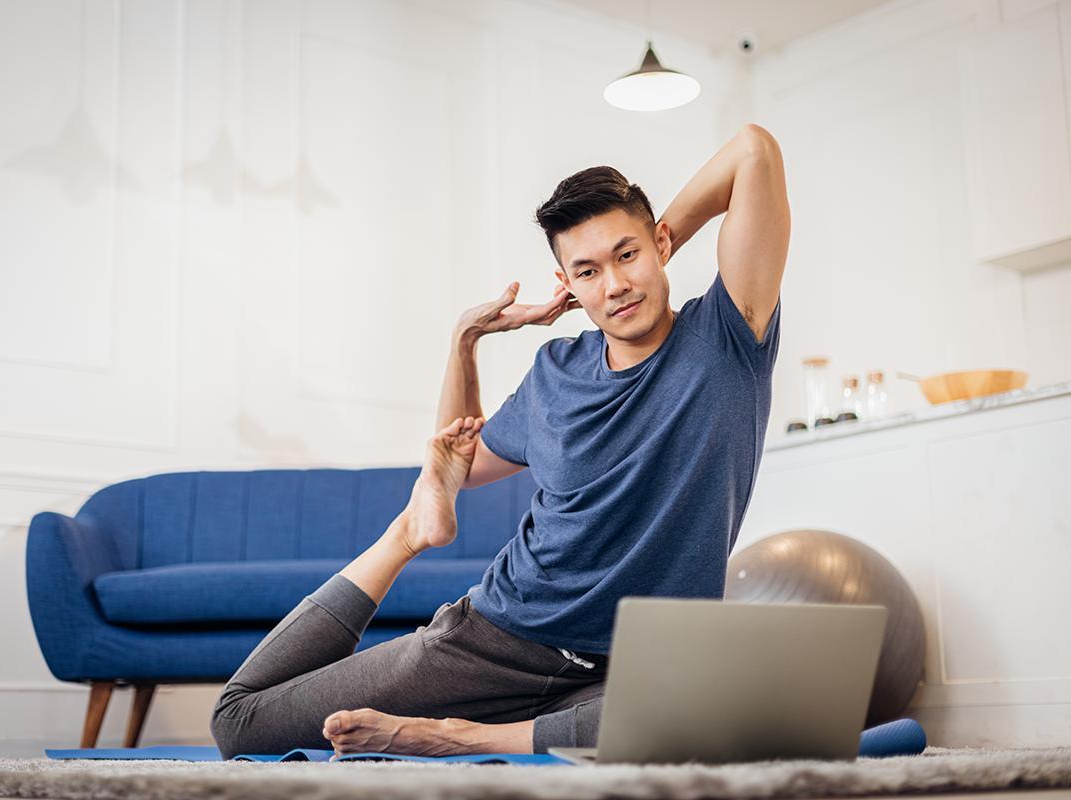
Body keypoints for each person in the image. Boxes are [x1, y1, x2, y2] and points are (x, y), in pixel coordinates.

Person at [209, 123, 790, 759]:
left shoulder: (728, 339)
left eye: (628, 255)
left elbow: (752, 150)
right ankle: (405, 541)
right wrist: (466, 340)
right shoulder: (557, 373)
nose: (615, 286)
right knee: (240, 723)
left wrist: (652, 248)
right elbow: (456, 464)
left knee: (724, 710)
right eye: (588, 271)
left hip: (629, 669)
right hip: (495, 640)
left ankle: (457, 739)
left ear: (661, 243)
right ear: (566, 283)